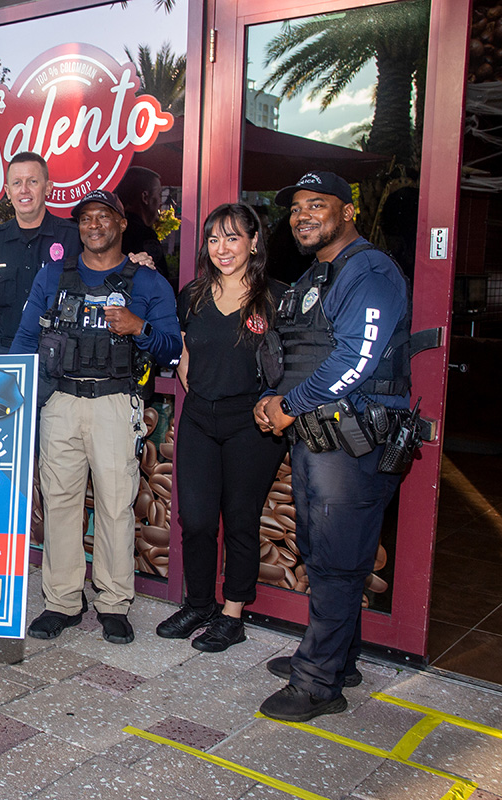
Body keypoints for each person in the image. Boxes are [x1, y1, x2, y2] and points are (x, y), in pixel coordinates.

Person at [254, 171, 410, 722]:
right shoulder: (316, 275)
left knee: (340, 562)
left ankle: (318, 683)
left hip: (353, 443)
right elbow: (295, 350)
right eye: (296, 208)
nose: (302, 216)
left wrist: (288, 405)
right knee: (325, 556)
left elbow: (355, 360)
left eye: (316, 205)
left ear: (348, 211)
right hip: (316, 438)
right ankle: (339, 659)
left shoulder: (369, 271)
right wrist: (273, 398)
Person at [11, 189, 181, 643]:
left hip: (114, 402)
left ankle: (113, 602)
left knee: (115, 506)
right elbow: (26, 339)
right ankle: (63, 601)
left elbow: (171, 346)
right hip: (60, 402)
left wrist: (138, 327)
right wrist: (16, 395)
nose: (94, 225)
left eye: (104, 217)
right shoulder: (53, 276)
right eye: (86, 218)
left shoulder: (146, 283)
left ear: (122, 224)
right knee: (60, 503)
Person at [155, 203, 287, 653]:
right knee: (195, 519)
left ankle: (233, 614)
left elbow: (288, 366)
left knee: (241, 520)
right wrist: (195, 387)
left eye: (232, 238)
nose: (222, 249)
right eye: (213, 239)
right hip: (199, 417)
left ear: (254, 241)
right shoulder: (193, 294)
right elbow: (188, 350)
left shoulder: (275, 299)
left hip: (249, 422)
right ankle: (199, 604)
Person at [0, 152, 80, 353]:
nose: (24, 190)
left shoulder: (74, 238)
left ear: (48, 188)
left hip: (61, 358)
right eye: (17, 183)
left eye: (33, 181)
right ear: (7, 191)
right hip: (6, 354)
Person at [116, 167, 171, 280]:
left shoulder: (114, 231)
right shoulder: (143, 235)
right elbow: (159, 278)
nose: (160, 203)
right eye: (159, 195)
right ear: (145, 197)